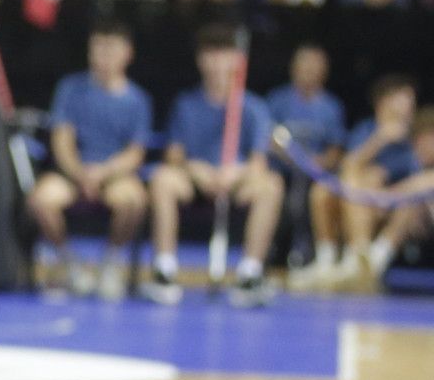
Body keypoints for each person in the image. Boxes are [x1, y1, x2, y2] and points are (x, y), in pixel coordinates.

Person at [143, 24, 283, 307]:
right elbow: (174, 155)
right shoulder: (186, 104)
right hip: (194, 180)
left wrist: (236, 172)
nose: (218, 62)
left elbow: (258, 162)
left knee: (271, 185)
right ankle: (164, 269)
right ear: (200, 60)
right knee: (162, 179)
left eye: (225, 54)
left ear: (237, 60)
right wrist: (196, 169)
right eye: (211, 55)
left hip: (236, 182)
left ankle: (249, 274)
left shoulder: (253, 107)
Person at [27, 18, 153, 300]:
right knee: (41, 199)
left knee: (134, 200)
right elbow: (62, 139)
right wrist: (79, 173)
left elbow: (135, 152)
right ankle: (69, 262)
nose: (105, 56)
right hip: (72, 173)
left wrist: (104, 173)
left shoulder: (137, 100)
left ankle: (110, 261)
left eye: (112, 49)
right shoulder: (71, 88)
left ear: (127, 53)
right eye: (98, 49)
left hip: (113, 175)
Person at [307, 76, 421, 288]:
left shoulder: (413, 138)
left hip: (394, 206)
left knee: (401, 195)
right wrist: (380, 139)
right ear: (384, 102)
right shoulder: (367, 129)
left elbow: (420, 180)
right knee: (323, 189)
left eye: (411, 100)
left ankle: (373, 260)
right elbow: (347, 167)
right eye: (404, 98)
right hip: (356, 202)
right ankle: (331, 259)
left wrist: (384, 195)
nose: (409, 105)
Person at [267, 42, 346, 274]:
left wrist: (317, 163)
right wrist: (292, 157)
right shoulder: (277, 100)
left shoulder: (331, 107)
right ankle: (273, 253)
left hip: (316, 175)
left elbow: (335, 149)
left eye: (315, 66)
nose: (309, 71)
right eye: (305, 65)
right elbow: (268, 139)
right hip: (282, 171)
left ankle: (313, 254)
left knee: (315, 194)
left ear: (325, 71)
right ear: (293, 68)